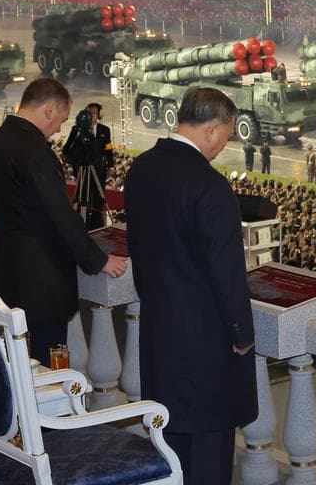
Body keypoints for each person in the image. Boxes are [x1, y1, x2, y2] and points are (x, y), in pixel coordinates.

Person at [124, 88, 257, 485]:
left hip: (160, 330)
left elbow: (140, 251)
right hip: (206, 346)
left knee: (169, 448)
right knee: (209, 456)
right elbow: (227, 271)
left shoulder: (142, 168)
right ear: (213, 128)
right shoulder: (209, 186)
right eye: (228, 135)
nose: (224, 144)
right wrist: (242, 334)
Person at [0, 78, 128, 365]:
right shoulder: (34, 152)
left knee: (15, 364)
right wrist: (98, 260)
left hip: (7, 270)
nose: (59, 128)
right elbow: (59, 215)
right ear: (48, 109)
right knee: (46, 368)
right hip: (41, 282)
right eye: (60, 119)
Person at [61, 102, 114, 229]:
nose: (92, 116)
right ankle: (79, 223)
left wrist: (111, 165)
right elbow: (67, 148)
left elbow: (108, 149)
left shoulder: (104, 130)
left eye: (95, 113)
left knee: (98, 196)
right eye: (90, 113)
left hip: (98, 167)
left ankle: (97, 224)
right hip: (82, 168)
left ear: (98, 115)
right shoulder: (76, 129)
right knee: (81, 195)